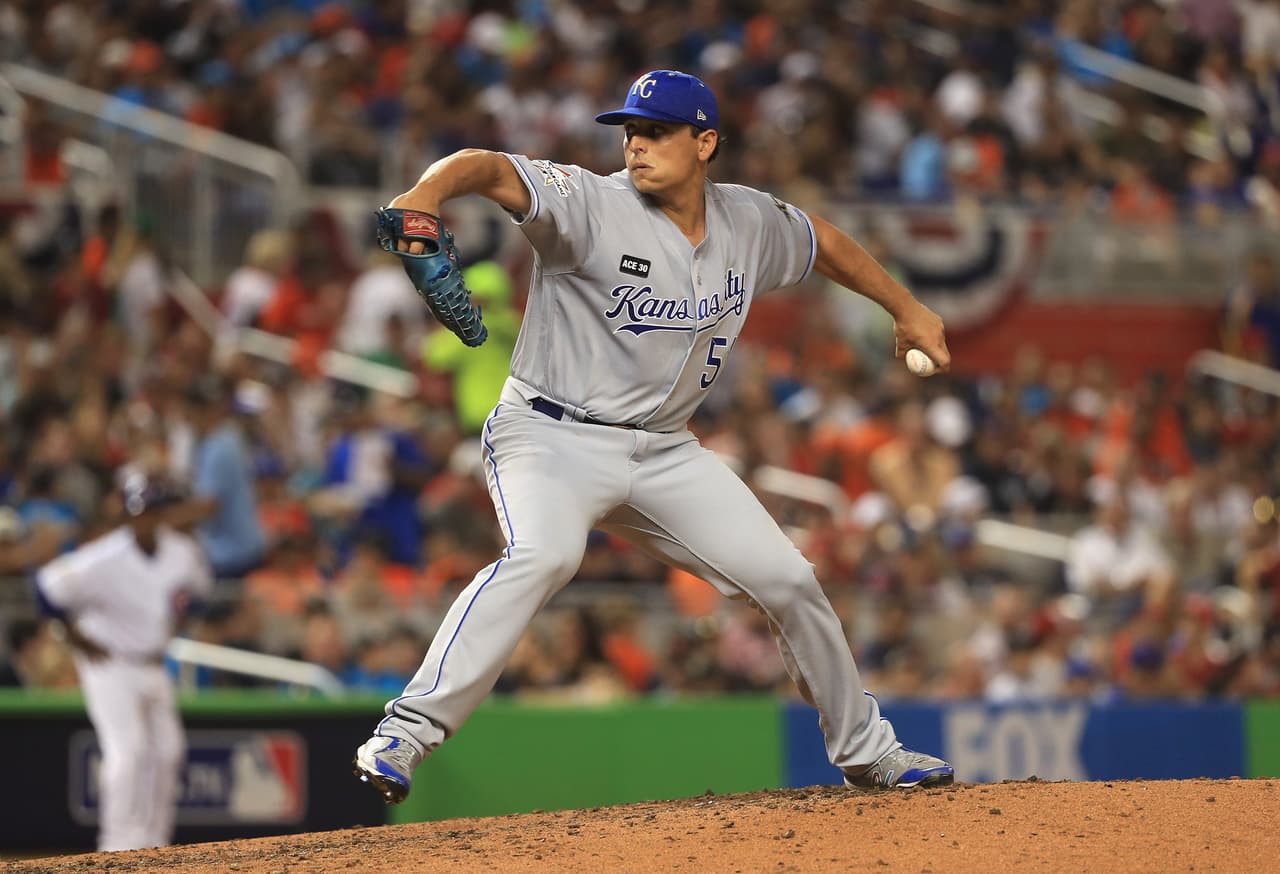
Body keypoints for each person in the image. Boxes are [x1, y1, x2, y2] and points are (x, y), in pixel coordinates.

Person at [354, 70, 954, 803]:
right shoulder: (589, 203)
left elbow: (820, 242)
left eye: (658, 131)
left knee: (790, 581)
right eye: (631, 131)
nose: (637, 144)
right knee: (545, 554)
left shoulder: (746, 222)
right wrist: (425, 194)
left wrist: (907, 306)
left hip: (666, 450)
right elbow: (491, 167)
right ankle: (404, 734)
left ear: (706, 143)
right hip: (551, 435)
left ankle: (869, 755)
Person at [33, 473, 213, 851]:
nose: (145, 519)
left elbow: (197, 593)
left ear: (161, 513)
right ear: (128, 516)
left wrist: (180, 615)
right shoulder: (103, 556)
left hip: (153, 662)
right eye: (138, 513)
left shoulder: (180, 550)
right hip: (109, 663)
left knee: (168, 750)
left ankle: (155, 843)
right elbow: (46, 588)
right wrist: (73, 634)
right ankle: (115, 848)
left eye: (151, 511)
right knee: (127, 752)